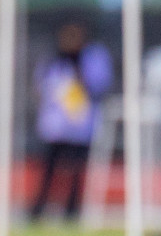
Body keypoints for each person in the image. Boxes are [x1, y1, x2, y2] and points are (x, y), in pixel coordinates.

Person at [30, 20, 113, 222]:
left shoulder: (92, 58)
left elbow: (99, 86)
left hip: (80, 126)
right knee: (50, 169)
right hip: (56, 126)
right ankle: (38, 209)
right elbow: (40, 87)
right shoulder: (53, 61)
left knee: (76, 170)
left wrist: (79, 69)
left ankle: (72, 210)